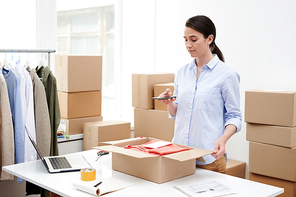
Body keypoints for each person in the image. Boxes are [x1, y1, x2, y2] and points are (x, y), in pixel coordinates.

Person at [157, 15, 242, 173]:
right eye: (185, 39)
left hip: (210, 159)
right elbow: (177, 113)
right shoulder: (182, 72)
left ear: (209, 39)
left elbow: (235, 116)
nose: (188, 45)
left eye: (193, 39)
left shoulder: (226, 75)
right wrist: (170, 103)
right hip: (180, 155)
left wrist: (223, 139)